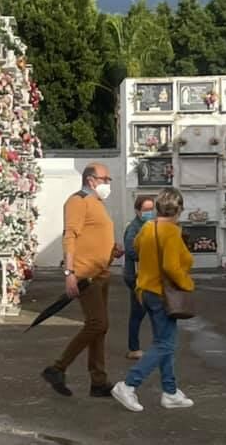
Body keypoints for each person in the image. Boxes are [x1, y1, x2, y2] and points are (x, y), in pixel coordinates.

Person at [41, 163, 123, 398]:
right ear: (91, 180)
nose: (108, 183)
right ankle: (57, 368)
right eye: (106, 179)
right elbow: (70, 236)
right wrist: (70, 273)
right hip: (86, 275)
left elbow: (94, 236)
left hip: (101, 273)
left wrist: (112, 249)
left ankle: (98, 380)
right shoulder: (77, 201)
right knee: (98, 324)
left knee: (99, 329)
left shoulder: (97, 203)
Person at [111, 188, 195, 412]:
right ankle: (128, 384)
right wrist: (187, 284)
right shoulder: (172, 232)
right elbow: (171, 266)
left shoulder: (148, 227)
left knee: (164, 342)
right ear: (179, 209)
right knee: (165, 343)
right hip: (163, 292)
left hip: (145, 289)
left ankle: (170, 391)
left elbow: (137, 248)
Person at [123, 196, 156, 359]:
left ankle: (135, 347)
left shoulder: (149, 225)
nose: (150, 213)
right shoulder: (134, 228)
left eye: (151, 209)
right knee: (138, 312)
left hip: (144, 275)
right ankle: (133, 348)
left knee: (143, 311)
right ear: (137, 211)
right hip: (135, 276)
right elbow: (131, 251)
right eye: (146, 210)